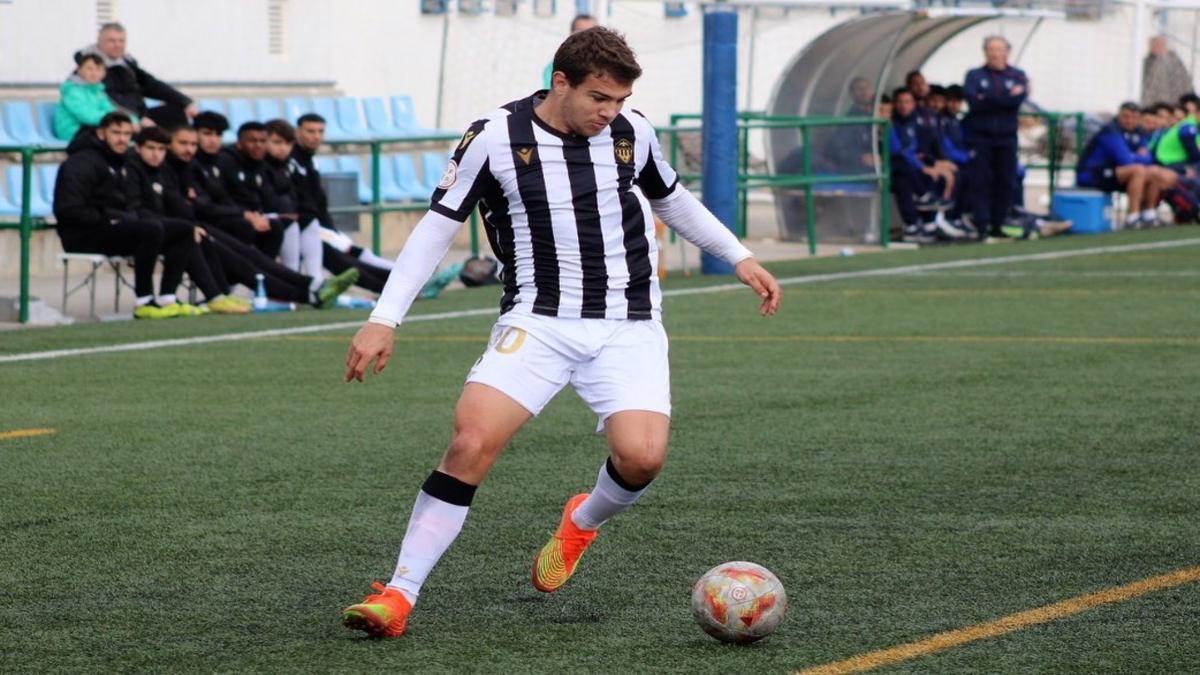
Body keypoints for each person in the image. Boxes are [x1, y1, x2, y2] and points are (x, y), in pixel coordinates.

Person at [338, 26, 781, 639]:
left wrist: (738, 255)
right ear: (561, 81)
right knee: (470, 443)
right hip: (537, 322)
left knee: (643, 458)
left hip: (628, 323)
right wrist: (383, 319)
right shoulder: (495, 136)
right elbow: (437, 227)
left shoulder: (632, 132)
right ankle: (398, 594)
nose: (611, 113)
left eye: (620, 101)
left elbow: (672, 199)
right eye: (600, 98)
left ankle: (583, 519)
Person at [162, 125, 359, 307]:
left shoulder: (190, 167)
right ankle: (307, 293)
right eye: (183, 143)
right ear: (169, 144)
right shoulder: (173, 168)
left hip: (199, 224)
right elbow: (187, 207)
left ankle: (312, 285)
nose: (189, 149)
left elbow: (206, 203)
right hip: (184, 228)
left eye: (192, 144)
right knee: (242, 260)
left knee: (255, 253)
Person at [52, 112, 197, 319]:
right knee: (150, 228)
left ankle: (167, 298)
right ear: (101, 134)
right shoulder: (80, 163)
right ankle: (144, 300)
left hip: (115, 226)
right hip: (83, 234)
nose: (122, 139)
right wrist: (111, 217)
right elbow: (68, 209)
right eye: (116, 133)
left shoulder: (122, 161)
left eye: (127, 134)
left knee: (183, 230)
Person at [125, 126, 251, 315]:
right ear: (138, 148)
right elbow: (135, 208)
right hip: (138, 230)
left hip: (158, 228)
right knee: (185, 232)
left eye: (160, 149)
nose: (156, 154)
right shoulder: (133, 169)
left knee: (198, 234)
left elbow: (176, 204)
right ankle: (211, 296)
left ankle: (206, 295)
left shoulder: (161, 172)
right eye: (151, 148)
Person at [289, 112, 394, 293]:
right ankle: (393, 287)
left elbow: (318, 202)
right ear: (297, 132)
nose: (316, 136)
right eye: (310, 131)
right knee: (341, 258)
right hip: (303, 226)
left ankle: (405, 280)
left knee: (353, 251)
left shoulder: (310, 160)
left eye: (320, 131)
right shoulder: (292, 161)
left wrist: (330, 228)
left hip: (316, 226)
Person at [964, 35, 1028, 239]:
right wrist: (1005, 98)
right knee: (981, 181)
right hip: (981, 137)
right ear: (985, 52)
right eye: (991, 49)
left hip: (1007, 138)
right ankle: (982, 224)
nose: (995, 53)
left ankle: (998, 224)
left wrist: (989, 98)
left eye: (999, 49)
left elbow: (1016, 101)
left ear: (1007, 52)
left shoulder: (1017, 75)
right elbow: (974, 102)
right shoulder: (974, 75)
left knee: (1006, 181)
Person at [76, 22, 196, 129]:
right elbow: (104, 101)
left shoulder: (127, 63)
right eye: (111, 41)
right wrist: (136, 119)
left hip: (140, 114)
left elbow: (151, 85)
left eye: (121, 41)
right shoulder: (89, 68)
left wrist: (185, 102)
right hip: (116, 120)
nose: (117, 45)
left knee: (176, 113)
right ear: (99, 41)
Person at [1077, 102, 1178, 228]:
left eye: (1133, 117)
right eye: (1125, 116)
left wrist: (1135, 156)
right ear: (1119, 115)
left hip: (1118, 173)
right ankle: (1132, 217)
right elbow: (1124, 159)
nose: (1129, 120)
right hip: (1094, 174)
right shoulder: (1110, 131)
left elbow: (1149, 158)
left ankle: (1149, 215)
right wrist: (1137, 156)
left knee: (1153, 171)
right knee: (1138, 170)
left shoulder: (1139, 132)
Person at [190, 111, 276, 246]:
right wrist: (244, 214)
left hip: (224, 216)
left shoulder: (222, 161)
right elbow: (203, 207)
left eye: (218, 135)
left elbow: (233, 196)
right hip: (204, 221)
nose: (213, 140)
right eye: (207, 134)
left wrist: (253, 214)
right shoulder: (190, 164)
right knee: (242, 226)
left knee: (273, 226)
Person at [889, 88, 960, 242]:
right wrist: (924, 167)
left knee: (941, 175)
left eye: (907, 102)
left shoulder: (915, 123)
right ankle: (913, 225)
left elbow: (920, 151)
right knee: (904, 181)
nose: (903, 106)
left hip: (911, 166)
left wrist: (933, 163)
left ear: (914, 104)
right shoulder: (891, 124)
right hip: (895, 169)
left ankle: (931, 224)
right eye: (900, 102)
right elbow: (898, 153)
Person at [211, 121, 286, 256]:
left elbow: (266, 195)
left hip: (251, 215)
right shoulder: (226, 161)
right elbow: (224, 197)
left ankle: (266, 270)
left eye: (262, 141)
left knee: (277, 225)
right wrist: (247, 214)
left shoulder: (261, 164)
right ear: (239, 143)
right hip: (228, 216)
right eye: (252, 141)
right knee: (244, 227)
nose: (258, 145)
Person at [54, 53, 131, 141]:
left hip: (92, 129)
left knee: (133, 135)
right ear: (79, 70)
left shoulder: (98, 91)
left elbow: (110, 109)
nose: (94, 73)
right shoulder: (72, 92)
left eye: (98, 69)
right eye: (89, 69)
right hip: (72, 132)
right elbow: (88, 117)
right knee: (118, 136)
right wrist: (115, 120)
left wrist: (130, 121)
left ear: (104, 73)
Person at [542, 14, 598, 89]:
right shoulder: (556, 67)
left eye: (591, 33)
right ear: (571, 34)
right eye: (581, 32)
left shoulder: (607, 67)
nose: (586, 37)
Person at [1142, 35, 1194, 107]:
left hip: (1172, 103)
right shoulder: (1149, 61)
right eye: (1153, 45)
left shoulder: (1173, 61)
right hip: (1154, 104)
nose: (1155, 48)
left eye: (1159, 45)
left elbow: (1183, 84)